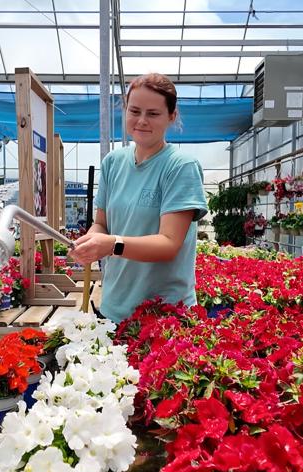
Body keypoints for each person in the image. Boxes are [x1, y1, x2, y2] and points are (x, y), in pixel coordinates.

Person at [69, 73, 208, 324]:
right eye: (134, 111)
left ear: (172, 116)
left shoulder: (180, 167)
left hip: (164, 318)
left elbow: (169, 244)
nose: (142, 121)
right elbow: (102, 223)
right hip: (114, 308)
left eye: (153, 114)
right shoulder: (113, 163)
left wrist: (111, 245)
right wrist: (91, 241)